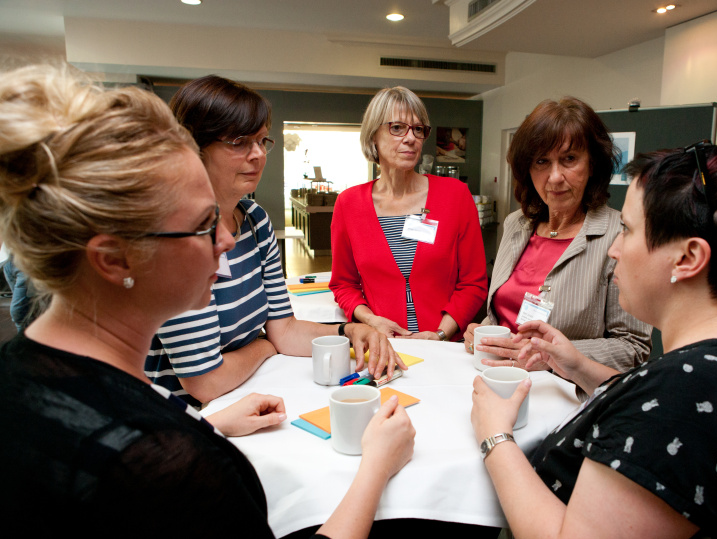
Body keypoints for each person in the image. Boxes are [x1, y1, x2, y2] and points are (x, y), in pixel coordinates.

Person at [0, 64, 415, 538]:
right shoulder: (167, 464)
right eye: (202, 226)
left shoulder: (25, 371)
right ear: (113, 260)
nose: (226, 239)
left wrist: (211, 426)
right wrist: (376, 468)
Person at [471, 144, 717, 538]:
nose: (614, 250)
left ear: (687, 258)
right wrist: (580, 366)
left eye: (628, 231)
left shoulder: (684, 396)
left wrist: (496, 436)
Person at [147, 75, 403, 407]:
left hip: (244, 397)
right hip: (192, 421)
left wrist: (347, 332)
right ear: (194, 147)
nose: (257, 155)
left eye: (262, 141)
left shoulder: (254, 220)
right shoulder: (177, 236)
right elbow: (206, 382)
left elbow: (284, 330)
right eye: (239, 142)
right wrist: (265, 345)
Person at [464, 97, 650, 379]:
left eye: (569, 159)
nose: (554, 177)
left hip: (566, 396)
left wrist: (552, 356)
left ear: (593, 164)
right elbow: (505, 312)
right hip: (496, 379)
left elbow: (633, 348)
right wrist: (484, 330)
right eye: (542, 161)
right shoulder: (517, 224)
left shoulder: (621, 234)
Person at [329, 86, 487, 350]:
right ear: (373, 137)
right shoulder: (349, 204)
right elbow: (343, 284)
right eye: (397, 128)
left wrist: (439, 334)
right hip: (380, 347)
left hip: (444, 347)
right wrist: (370, 320)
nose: (410, 138)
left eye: (418, 129)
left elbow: (473, 282)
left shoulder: (455, 196)